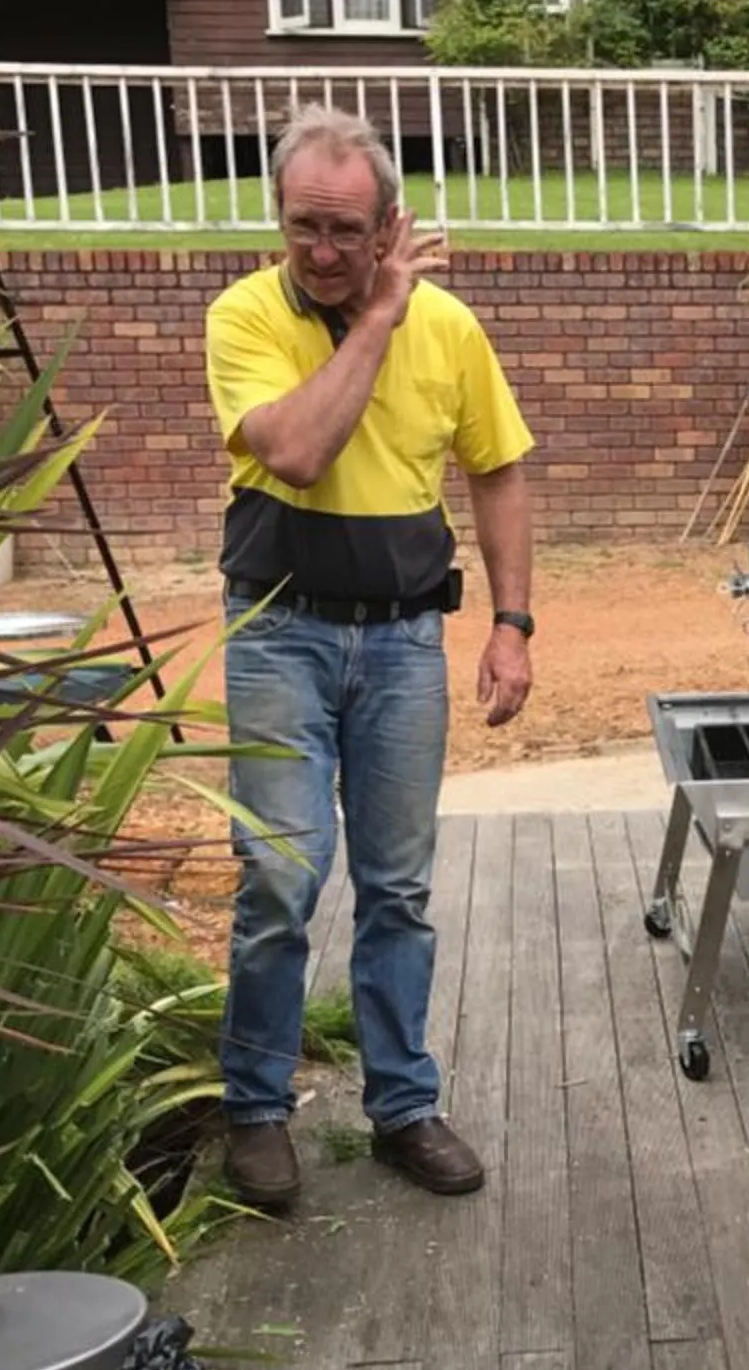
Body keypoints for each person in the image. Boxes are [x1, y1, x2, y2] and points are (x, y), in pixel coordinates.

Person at [205, 104, 534, 1212]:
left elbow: (497, 470)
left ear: (390, 224)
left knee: (398, 887)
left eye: (348, 230)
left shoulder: (451, 328)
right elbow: (297, 452)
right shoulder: (243, 317)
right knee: (281, 877)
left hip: (402, 641)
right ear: (278, 218)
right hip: (279, 634)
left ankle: (401, 1106)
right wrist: (381, 315)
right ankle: (257, 1109)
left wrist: (512, 622)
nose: (324, 251)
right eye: (305, 226)